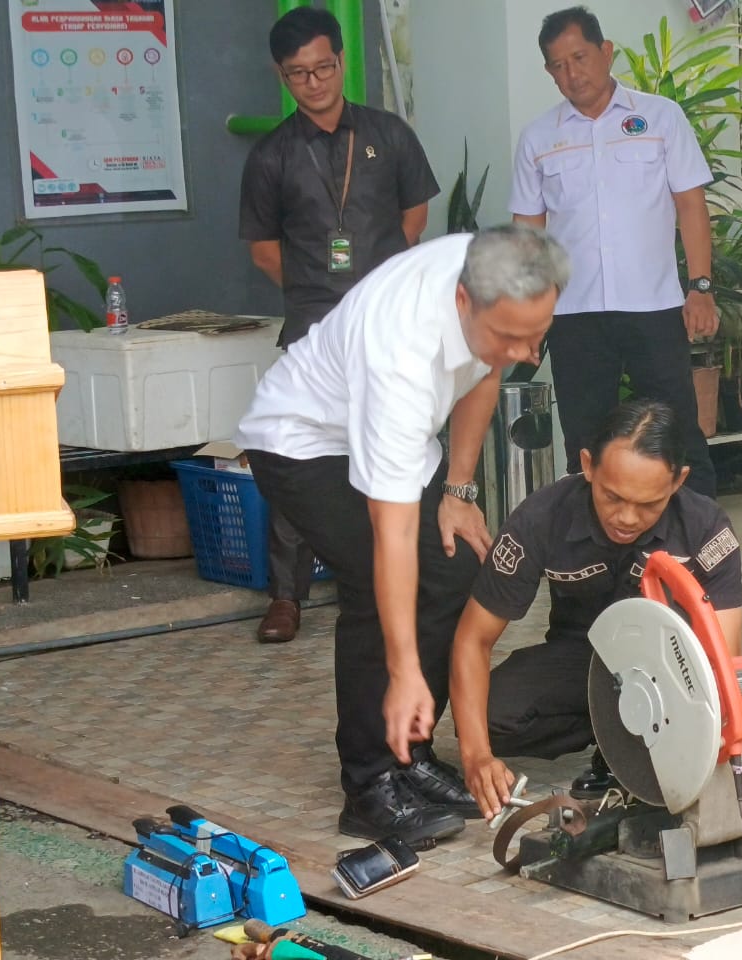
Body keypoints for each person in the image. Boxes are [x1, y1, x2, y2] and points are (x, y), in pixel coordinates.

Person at [235, 225, 570, 843]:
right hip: (304, 441)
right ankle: (368, 784)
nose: (527, 353)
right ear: (463, 301)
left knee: (455, 564)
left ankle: (408, 754)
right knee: (373, 581)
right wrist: (404, 669)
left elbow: (487, 370)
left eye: (538, 334)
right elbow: (391, 535)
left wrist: (459, 492)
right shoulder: (399, 352)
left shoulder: (498, 278)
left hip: (396, 439)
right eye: (511, 336)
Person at [239, 6, 440, 642]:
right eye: (299, 74)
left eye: (324, 67)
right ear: (282, 75)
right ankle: (286, 596)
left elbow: (414, 218)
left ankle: (412, 570)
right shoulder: (271, 155)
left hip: (387, 326)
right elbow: (263, 249)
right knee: (302, 448)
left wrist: (373, 296)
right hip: (313, 327)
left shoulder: (388, 133)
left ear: (342, 60)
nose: (315, 82)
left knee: (396, 439)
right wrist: (318, 294)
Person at [448, 400, 742, 821]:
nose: (627, 518)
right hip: (583, 662)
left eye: (649, 504)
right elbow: (472, 639)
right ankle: (614, 734)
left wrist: (700, 747)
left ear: (678, 481)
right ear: (588, 466)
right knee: (490, 715)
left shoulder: (707, 530)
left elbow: (720, 666)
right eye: (612, 496)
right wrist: (476, 756)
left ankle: (632, 737)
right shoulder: (540, 519)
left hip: (670, 673)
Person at [510, 6, 719, 499]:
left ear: (606, 52)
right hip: (575, 315)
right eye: (558, 65)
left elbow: (691, 206)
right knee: (586, 442)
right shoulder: (539, 138)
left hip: (654, 308)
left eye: (580, 58)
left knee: (677, 432)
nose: (572, 73)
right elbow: (528, 233)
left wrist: (701, 287)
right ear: (548, 71)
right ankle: (592, 541)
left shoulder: (661, 117)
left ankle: (702, 534)